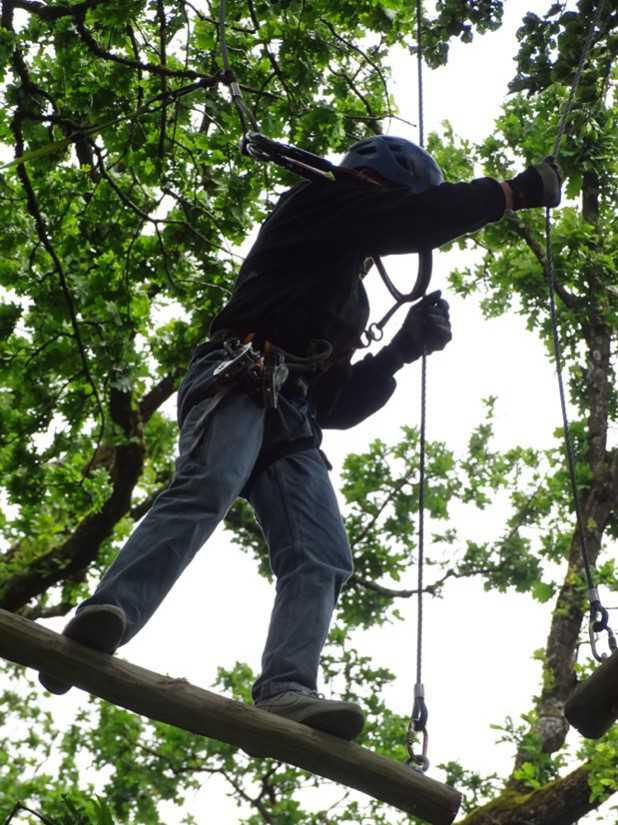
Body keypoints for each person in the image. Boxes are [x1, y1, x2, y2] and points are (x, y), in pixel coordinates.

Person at [39, 136, 561, 741]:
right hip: (238, 369)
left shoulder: (348, 293)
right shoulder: (320, 202)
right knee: (211, 481)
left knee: (322, 553)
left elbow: (333, 405)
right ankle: (110, 612)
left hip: (292, 412)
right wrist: (512, 193)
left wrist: (398, 352)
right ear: (386, 185)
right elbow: (412, 219)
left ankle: (287, 687)